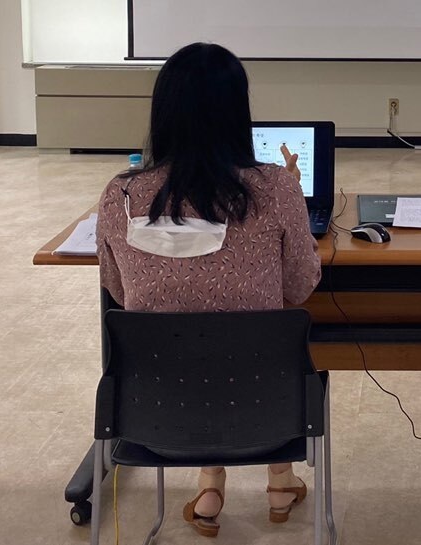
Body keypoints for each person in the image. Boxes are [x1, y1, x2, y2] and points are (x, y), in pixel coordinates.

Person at [96, 43, 322, 537]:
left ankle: (210, 486)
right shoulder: (278, 188)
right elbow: (300, 287)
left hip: (157, 422)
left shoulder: (121, 195)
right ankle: (279, 482)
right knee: (251, 343)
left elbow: (117, 291)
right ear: (238, 112)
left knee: (190, 340)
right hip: (269, 421)